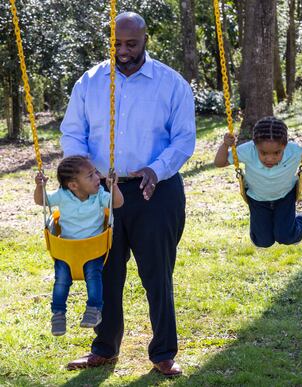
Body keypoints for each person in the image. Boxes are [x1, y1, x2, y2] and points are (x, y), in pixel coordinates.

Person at [60, 12, 196, 376]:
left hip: (156, 191)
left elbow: (184, 139)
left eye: (130, 44)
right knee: (104, 273)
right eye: (116, 44)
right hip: (101, 190)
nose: (122, 51)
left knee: (157, 274)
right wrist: (84, 173)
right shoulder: (90, 82)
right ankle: (104, 348)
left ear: (145, 39)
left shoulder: (171, 83)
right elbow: (72, 133)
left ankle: (164, 353)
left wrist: (156, 169)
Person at [34, 156, 124, 336]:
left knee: (93, 276)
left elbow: (117, 203)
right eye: (90, 176)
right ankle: (58, 313)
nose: (98, 177)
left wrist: (113, 186)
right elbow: (41, 201)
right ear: (73, 186)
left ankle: (94, 309)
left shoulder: (99, 196)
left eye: (96, 173)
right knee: (61, 280)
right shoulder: (63, 195)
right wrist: (39, 186)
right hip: (67, 251)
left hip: (93, 250)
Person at [214, 116, 302, 247]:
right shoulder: (248, 150)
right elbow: (219, 163)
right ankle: (260, 231)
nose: (270, 158)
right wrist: (226, 145)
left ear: (285, 145)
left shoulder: (293, 151)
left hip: (285, 197)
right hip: (257, 199)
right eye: (264, 153)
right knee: (263, 242)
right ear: (255, 145)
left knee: (286, 237)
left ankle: (300, 220)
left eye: (277, 153)